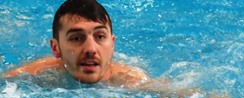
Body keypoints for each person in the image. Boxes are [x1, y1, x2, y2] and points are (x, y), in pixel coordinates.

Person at [4, 0, 148, 85]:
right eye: (76, 38)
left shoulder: (132, 81)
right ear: (56, 48)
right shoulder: (32, 75)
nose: (90, 49)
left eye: (100, 36)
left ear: (112, 44)